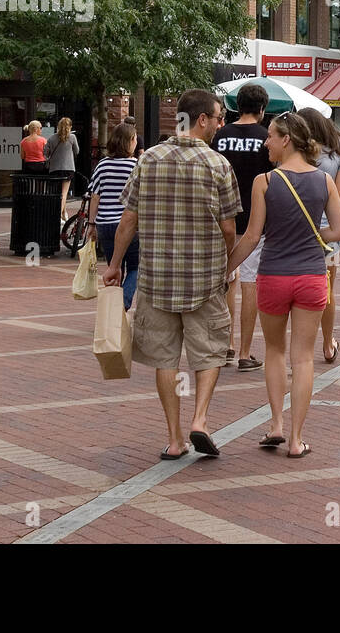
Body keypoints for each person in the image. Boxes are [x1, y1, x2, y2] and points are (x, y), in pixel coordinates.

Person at [103, 90, 240, 461]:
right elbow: (229, 228)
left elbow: (127, 218)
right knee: (209, 351)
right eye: (218, 118)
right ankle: (200, 419)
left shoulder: (148, 160)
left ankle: (175, 438)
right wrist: (228, 264)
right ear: (201, 120)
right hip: (204, 278)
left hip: (156, 277)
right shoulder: (218, 165)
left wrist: (115, 264)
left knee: (166, 359)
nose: (220, 124)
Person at [226, 111, 340, 460]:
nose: (266, 142)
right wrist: (312, 235)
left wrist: (226, 270)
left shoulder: (265, 182)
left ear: (286, 140)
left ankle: (277, 425)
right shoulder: (324, 181)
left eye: (271, 136)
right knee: (304, 357)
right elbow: (338, 232)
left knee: (276, 352)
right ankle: (296, 440)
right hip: (311, 275)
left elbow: (252, 236)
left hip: (274, 275)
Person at [212, 84, 272, 372]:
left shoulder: (220, 136)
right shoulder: (266, 139)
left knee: (227, 280)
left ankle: (226, 345)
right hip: (255, 222)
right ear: (262, 109)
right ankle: (246, 353)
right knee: (250, 283)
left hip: (221, 219)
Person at [300, 106, 340, 364]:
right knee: (327, 291)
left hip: (297, 233)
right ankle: (328, 344)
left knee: (297, 288)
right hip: (328, 236)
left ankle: (301, 346)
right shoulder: (336, 159)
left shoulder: (294, 155)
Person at [88, 124, 140, 310]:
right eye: (134, 139)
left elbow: (95, 196)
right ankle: (122, 305)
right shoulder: (136, 165)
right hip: (128, 225)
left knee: (115, 267)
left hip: (105, 225)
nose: (136, 142)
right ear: (128, 142)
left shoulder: (102, 165)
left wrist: (91, 224)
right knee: (136, 267)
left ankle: (113, 312)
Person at [44, 117, 80, 221]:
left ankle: (63, 214)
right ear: (70, 127)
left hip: (54, 168)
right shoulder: (72, 137)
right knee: (64, 194)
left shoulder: (51, 138)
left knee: (57, 193)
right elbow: (77, 151)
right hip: (68, 168)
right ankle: (58, 215)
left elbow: (45, 153)